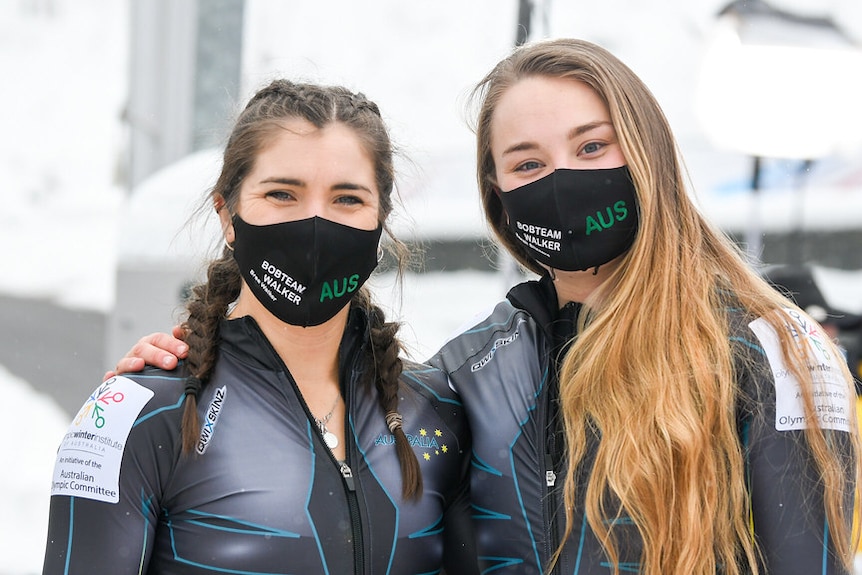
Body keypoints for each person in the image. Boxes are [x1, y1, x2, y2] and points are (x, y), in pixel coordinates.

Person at [109, 39, 861, 574]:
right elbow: (330, 415)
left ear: (648, 155)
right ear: (498, 195)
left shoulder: (772, 351)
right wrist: (195, 363)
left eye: (592, 147)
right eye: (528, 163)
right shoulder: (473, 368)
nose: (561, 178)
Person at [43, 79, 476, 575]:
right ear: (227, 215)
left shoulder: (436, 411)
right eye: (282, 194)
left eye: (347, 199)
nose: (315, 222)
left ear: (381, 222)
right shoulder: (135, 417)